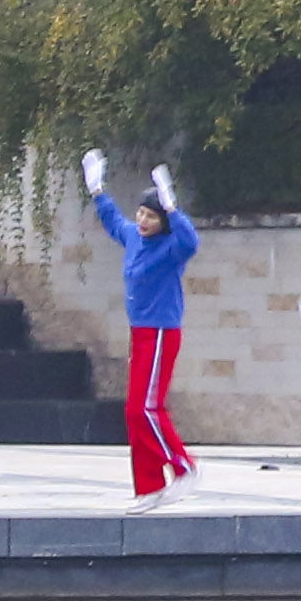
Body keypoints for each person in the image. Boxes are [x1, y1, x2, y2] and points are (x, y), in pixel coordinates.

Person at [84, 152, 200, 508]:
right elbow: (112, 220)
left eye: (152, 216)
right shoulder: (134, 237)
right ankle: (148, 487)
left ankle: (183, 467)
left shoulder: (172, 247)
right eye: (142, 213)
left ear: (163, 222)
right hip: (141, 333)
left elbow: (192, 242)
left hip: (162, 331)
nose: (143, 220)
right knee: (133, 412)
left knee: (146, 409)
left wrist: (173, 208)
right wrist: (97, 189)